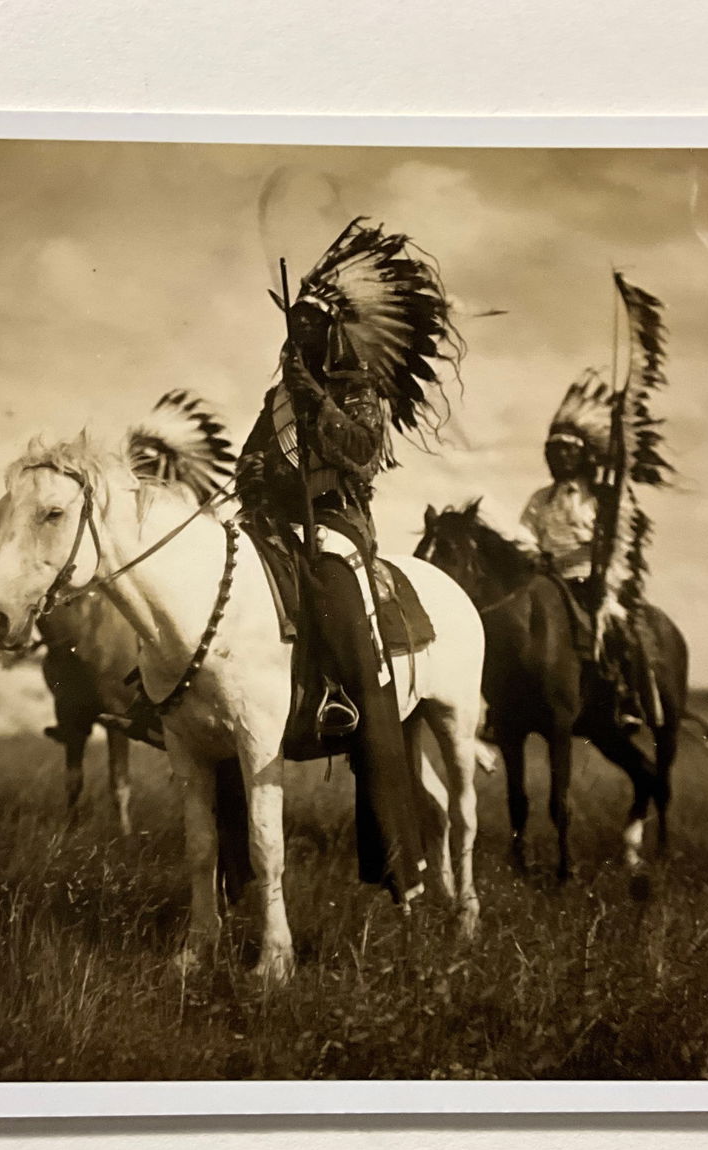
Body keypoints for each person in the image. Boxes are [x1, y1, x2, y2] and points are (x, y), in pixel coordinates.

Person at [236, 220, 462, 905]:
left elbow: (363, 453)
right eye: (292, 325)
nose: (298, 335)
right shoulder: (276, 398)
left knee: (338, 599)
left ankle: (348, 702)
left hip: (336, 528)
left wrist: (319, 404)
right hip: (275, 525)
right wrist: (253, 484)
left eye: (310, 324)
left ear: (331, 331)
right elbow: (249, 462)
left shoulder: (358, 389)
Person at [520, 379, 645, 730]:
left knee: (616, 628)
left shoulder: (601, 497)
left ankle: (626, 697)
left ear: (581, 455)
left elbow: (622, 538)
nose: (557, 456)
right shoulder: (540, 499)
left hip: (592, 581)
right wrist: (533, 554)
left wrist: (600, 545)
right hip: (547, 580)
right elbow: (525, 534)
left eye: (565, 450)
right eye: (552, 450)